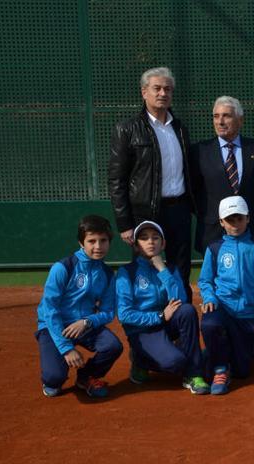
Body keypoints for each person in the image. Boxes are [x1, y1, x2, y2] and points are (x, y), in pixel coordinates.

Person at [107, 67, 194, 301]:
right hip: (145, 213)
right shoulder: (127, 129)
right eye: (157, 88)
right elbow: (117, 179)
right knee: (145, 273)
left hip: (179, 210)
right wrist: (125, 223)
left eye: (167, 89)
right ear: (144, 92)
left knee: (180, 269)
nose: (162, 93)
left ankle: (180, 326)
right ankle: (149, 329)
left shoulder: (180, 128)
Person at [116, 221, 209, 395]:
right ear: (136, 246)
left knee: (187, 311)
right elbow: (124, 314)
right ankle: (140, 359)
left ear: (163, 243)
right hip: (143, 330)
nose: (150, 242)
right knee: (176, 362)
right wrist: (159, 316)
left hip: (166, 323)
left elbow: (180, 301)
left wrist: (162, 270)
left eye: (155, 238)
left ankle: (194, 374)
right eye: (144, 239)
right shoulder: (126, 272)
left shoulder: (170, 269)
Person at [35, 215, 122, 398]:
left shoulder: (107, 274)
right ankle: (53, 375)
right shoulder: (63, 268)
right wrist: (66, 348)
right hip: (55, 326)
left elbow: (107, 312)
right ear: (81, 242)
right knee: (53, 382)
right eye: (92, 241)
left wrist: (86, 322)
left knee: (113, 346)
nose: (98, 246)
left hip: (84, 325)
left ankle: (86, 377)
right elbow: (49, 310)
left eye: (103, 241)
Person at [198, 197, 254, 395]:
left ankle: (214, 353)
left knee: (242, 371)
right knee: (209, 324)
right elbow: (205, 281)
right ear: (221, 222)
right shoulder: (215, 248)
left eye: (239, 219)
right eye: (229, 220)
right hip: (223, 309)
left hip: (247, 316)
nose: (235, 224)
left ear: (248, 219)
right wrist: (210, 298)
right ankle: (220, 369)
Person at [191, 96, 254, 251]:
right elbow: (194, 191)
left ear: (240, 120)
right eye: (216, 116)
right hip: (213, 230)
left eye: (226, 116)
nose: (220, 121)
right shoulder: (199, 151)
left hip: (251, 230)